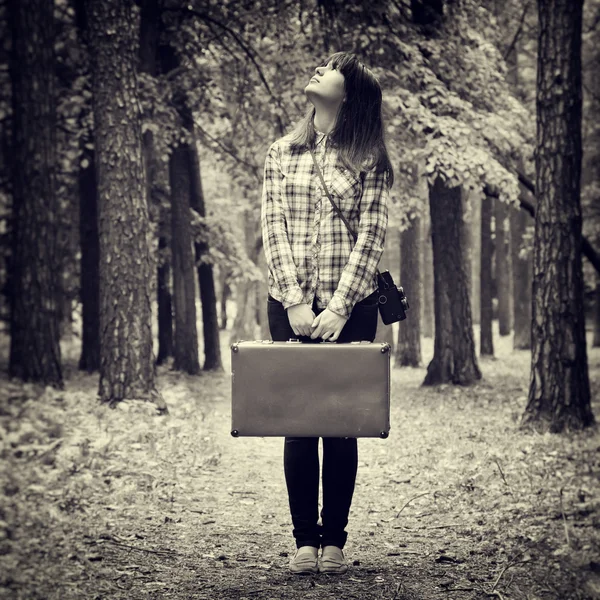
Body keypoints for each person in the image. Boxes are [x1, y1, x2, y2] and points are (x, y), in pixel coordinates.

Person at [260, 52, 394, 575]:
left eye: (333, 67)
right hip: (287, 305)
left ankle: (334, 539)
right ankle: (303, 542)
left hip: (353, 309)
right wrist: (294, 300)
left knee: (340, 427)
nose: (319, 69)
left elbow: (372, 236)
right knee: (299, 425)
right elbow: (272, 228)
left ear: (351, 92)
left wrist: (339, 307)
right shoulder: (280, 152)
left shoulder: (371, 160)